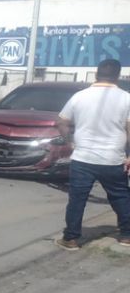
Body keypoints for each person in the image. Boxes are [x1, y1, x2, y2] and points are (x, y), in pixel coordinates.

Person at [54, 58, 130, 250]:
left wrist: (70, 141)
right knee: (120, 196)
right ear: (117, 76)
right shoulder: (126, 98)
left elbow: (61, 122)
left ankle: (70, 238)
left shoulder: (80, 96)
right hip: (113, 158)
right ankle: (127, 235)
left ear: (96, 74)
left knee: (78, 198)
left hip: (83, 158)